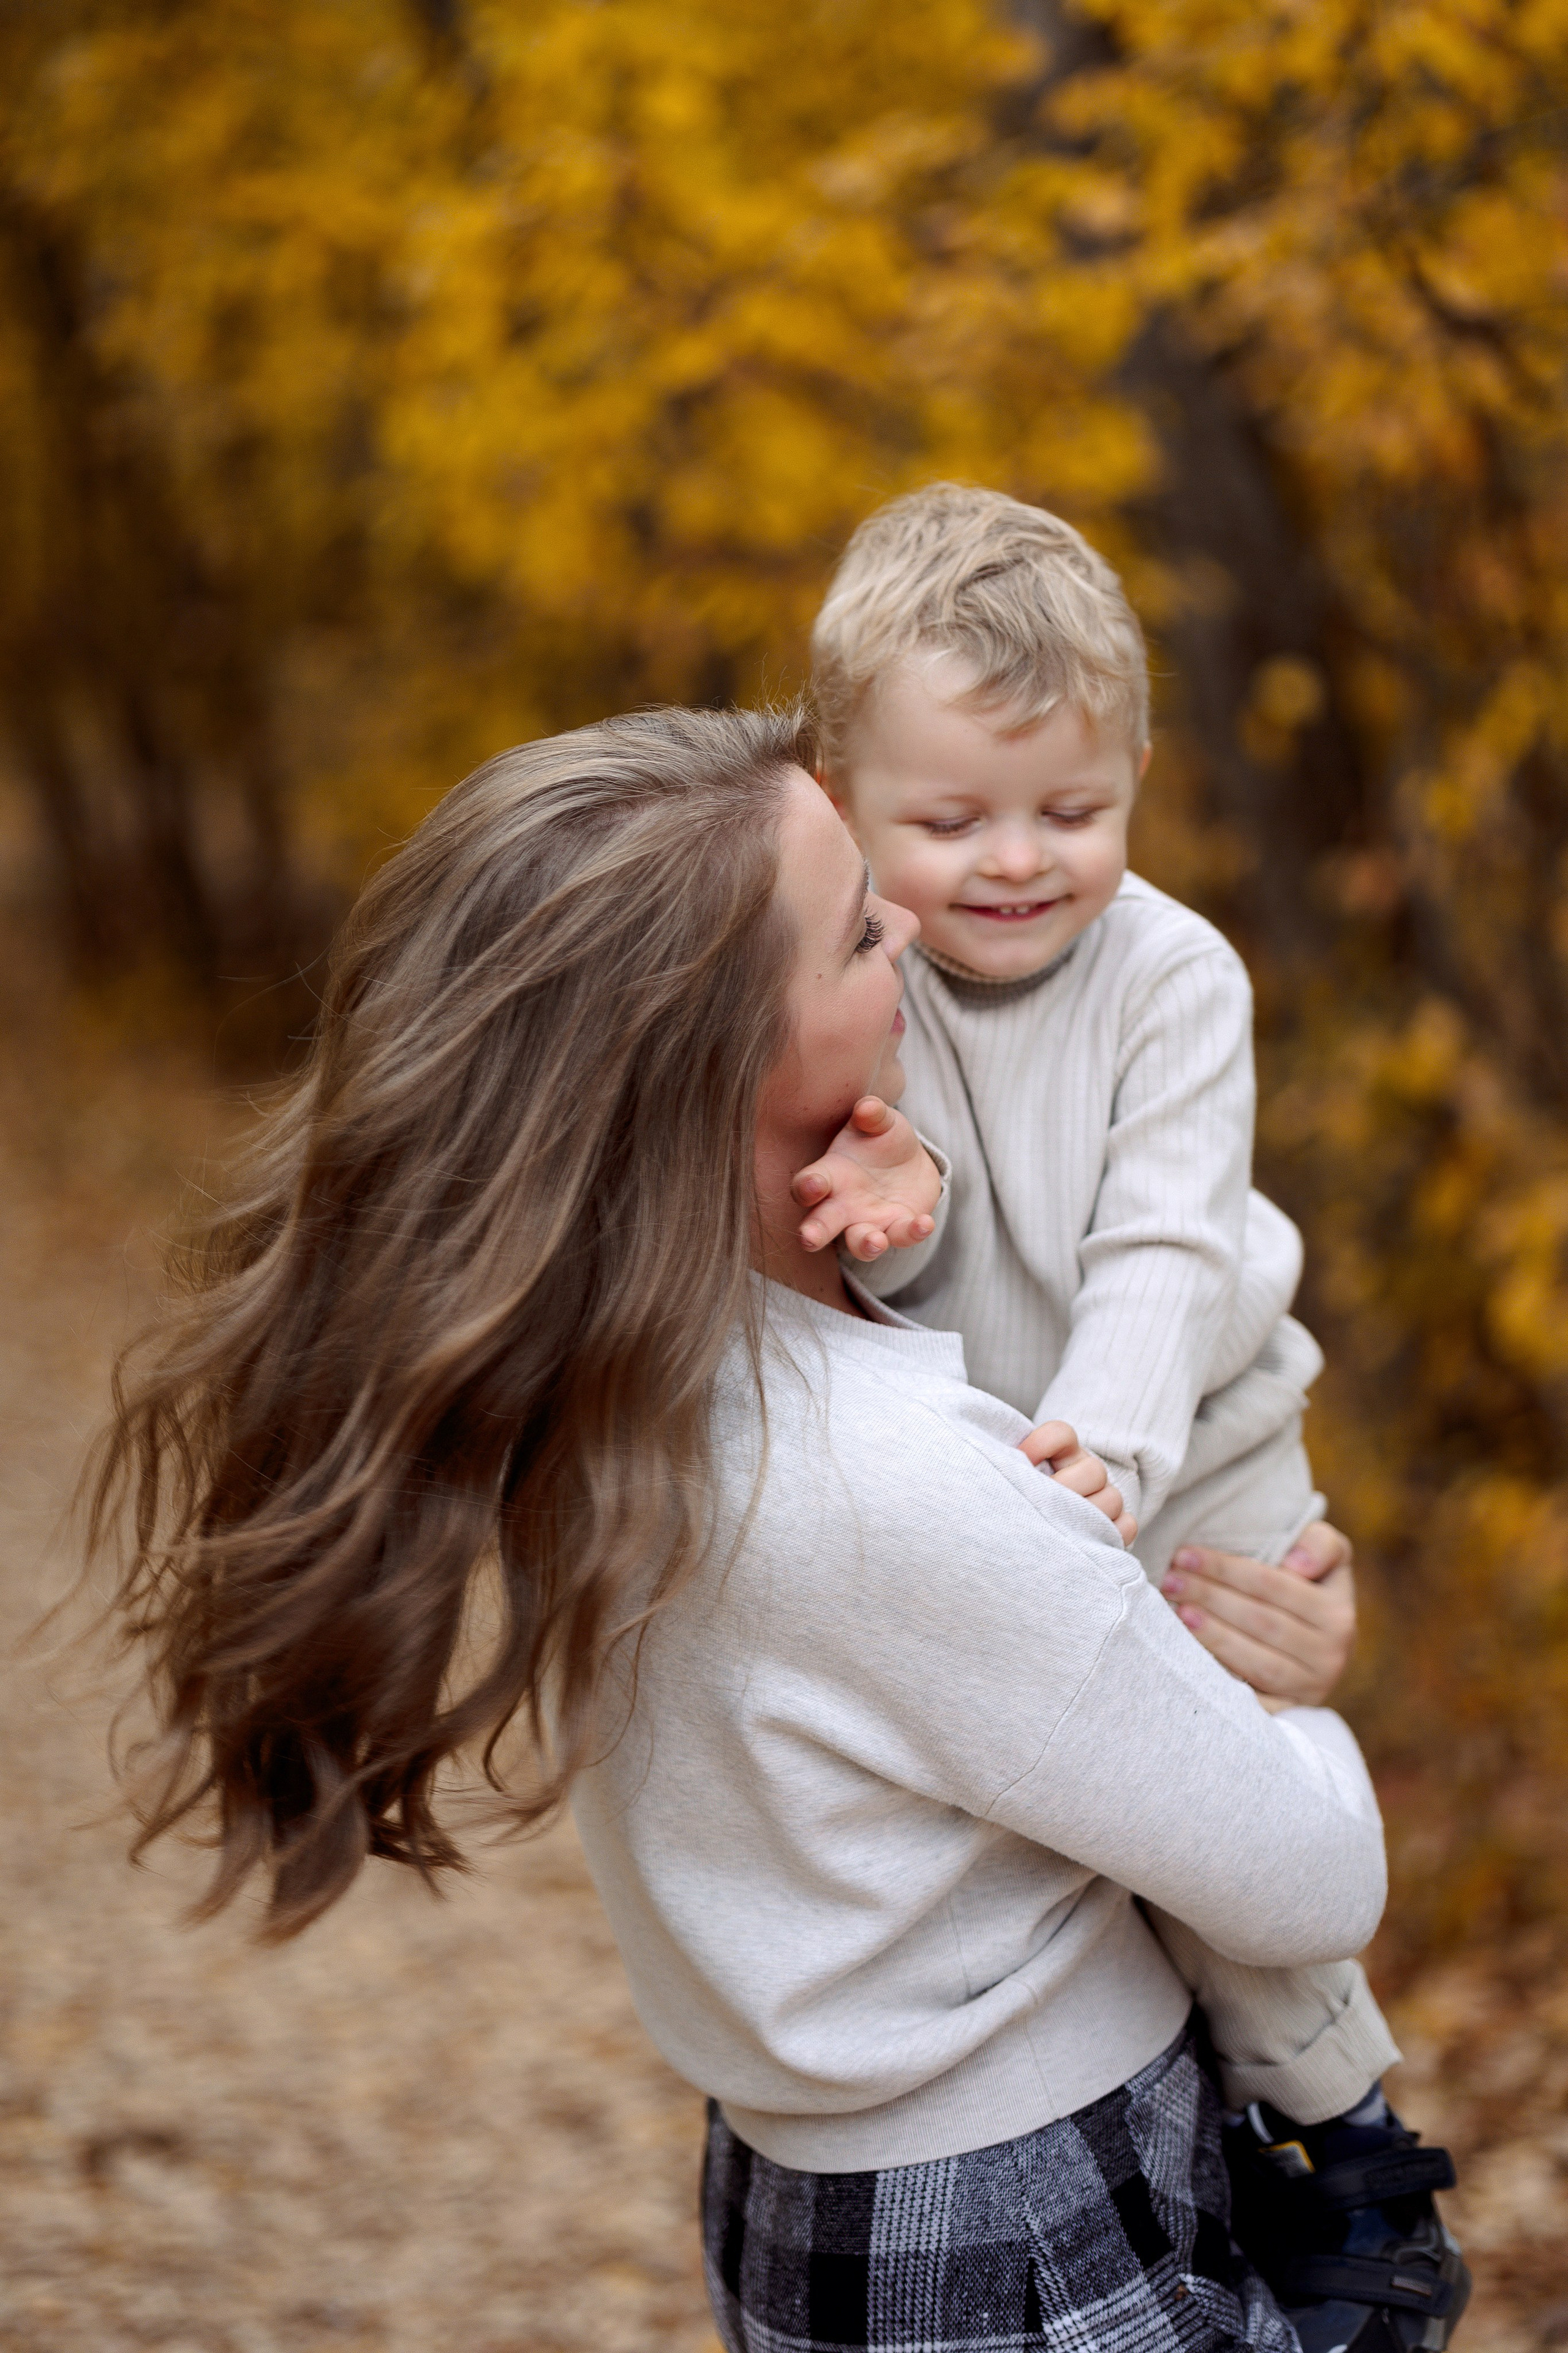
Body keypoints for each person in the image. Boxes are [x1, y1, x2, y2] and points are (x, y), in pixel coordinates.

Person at [96, 706, 1398, 2353]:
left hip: (808, 2191)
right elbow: (1304, 1877)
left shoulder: (601, 1375)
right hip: (1027, 2233)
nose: (914, 926)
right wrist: (1291, 1693)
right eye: (861, 924)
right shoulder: (884, 1476)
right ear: (727, 1060)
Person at [794, 484, 1468, 2353]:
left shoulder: (1174, 976)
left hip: (1194, 1440)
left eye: (1072, 812)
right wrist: (902, 1239)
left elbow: (1164, 1251)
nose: (1016, 861)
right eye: (952, 820)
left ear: (1140, 778)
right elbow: (914, 1288)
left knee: (1229, 1801)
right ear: (840, 794)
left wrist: (1114, 1461)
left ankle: (1348, 2136)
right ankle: (1199, 2131)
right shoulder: (861, 988)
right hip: (1017, 1461)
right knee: (1083, 1813)